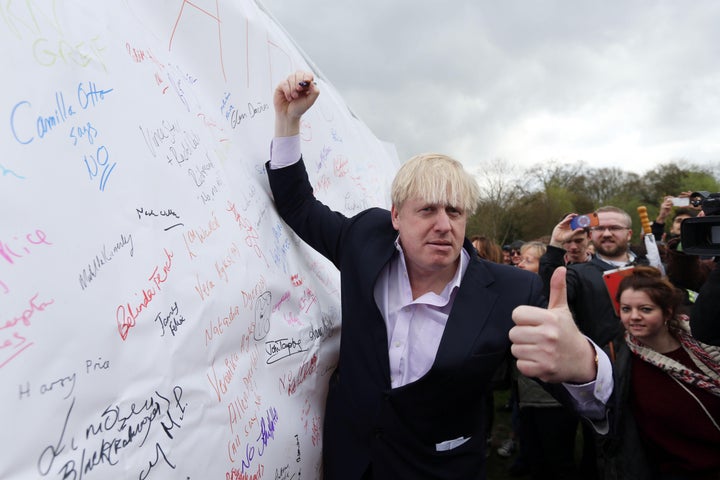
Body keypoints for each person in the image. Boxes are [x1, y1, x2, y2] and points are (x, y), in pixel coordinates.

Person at [268, 71, 610, 480]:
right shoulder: (363, 241)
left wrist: (586, 369)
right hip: (350, 462)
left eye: (455, 211)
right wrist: (288, 122)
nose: (444, 224)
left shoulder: (511, 290)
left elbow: (596, 406)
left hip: (440, 469)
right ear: (396, 216)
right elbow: (299, 205)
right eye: (427, 210)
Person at [538, 208, 650, 479]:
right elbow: (548, 292)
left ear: (629, 233)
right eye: (600, 228)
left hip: (652, 370)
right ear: (591, 235)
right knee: (602, 448)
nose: (607, 233)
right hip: (606, 375)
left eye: (615, 227)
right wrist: (555, 245)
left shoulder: (650, 268)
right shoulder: (580, 272)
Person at [600, 266, 720, 479]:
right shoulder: (620, 365)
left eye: (645, 309)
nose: (634, 317)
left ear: (668, 311)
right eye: (626, 309)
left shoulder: (705, 341)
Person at [514, 240, 581, 479]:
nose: (520, 264)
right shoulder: (521, 296)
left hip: (554, 399)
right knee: (534, 455)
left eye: (528, 261)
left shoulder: (555, 305)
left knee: (557, 459)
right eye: (520, 259)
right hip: (528, 394)